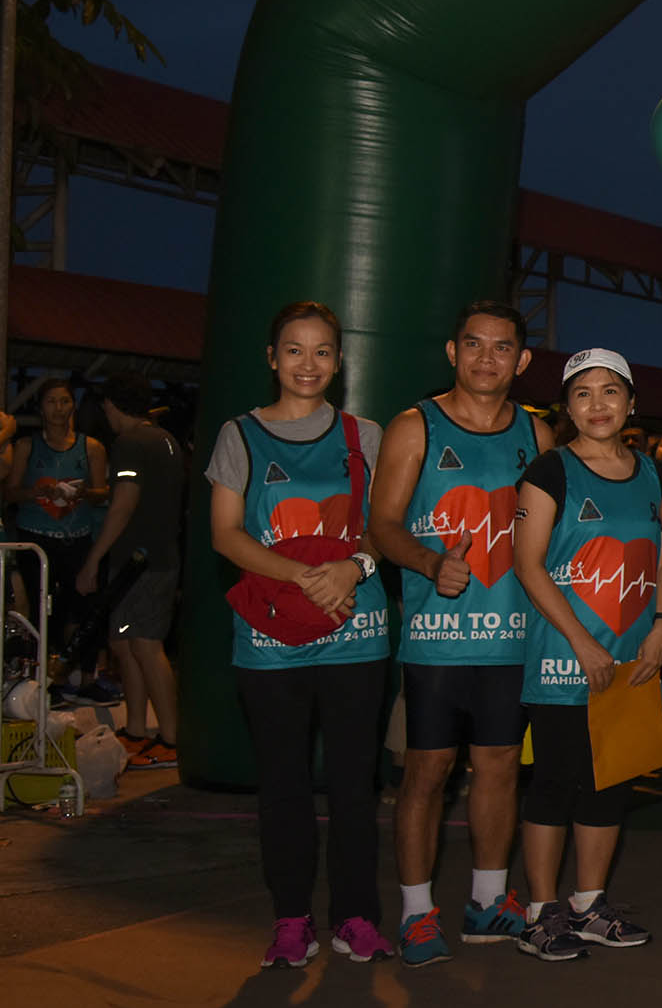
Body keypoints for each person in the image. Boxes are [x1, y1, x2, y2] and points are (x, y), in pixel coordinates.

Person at [207, 302, 395, 970]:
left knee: (353, 784)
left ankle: (356, 916)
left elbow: (387, 524)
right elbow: (225, 533)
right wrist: (305, 576)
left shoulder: (365, 435)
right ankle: (291, 918)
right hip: (270, 639)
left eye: (321, 351)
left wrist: (352, 567)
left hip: (356, 633)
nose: (307, 364)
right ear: (271, 358)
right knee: (283, 784)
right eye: (294, 349)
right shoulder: (239, 434)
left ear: (339, 361)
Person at [370, 300, 557, 967]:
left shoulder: (537, 435)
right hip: (437, 639)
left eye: (502, 347)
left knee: (501, 766)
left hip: (514, 637)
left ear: (522, 360)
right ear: (453, 352)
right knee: (427, 770)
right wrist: (428, 563)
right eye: (473, 344)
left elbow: (555, 533)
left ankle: (487, 901)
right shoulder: (414, 426)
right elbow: (382, 525)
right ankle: (417, 913)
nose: (486, 358)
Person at [509, 350, 662, 961]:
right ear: (567, 408)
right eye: (582, 394)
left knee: (609, 784)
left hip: (631, 662)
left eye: (610, 391)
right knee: (555, 783)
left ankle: (588, 906)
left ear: (631, 403)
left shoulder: (650, 473)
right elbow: (527, 564)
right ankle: (539, 915)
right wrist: (581, 642)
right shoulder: (549, 471)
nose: (598, 404)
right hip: (564, 662)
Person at [86, 376, 183, 767]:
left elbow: (122, 505)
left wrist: (93, 559)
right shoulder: (165, 439)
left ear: (111, 404)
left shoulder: (129, 443)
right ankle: (137, 729)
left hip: (139, 562)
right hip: (157, 557)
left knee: (144, 644)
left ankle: (171, 739)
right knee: (125, 643)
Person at [9, 377, 110, 689]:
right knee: (40, 608)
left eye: (64, 401)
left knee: (83, 608)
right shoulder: (27, 446)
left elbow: (102, 492)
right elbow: (10, 492)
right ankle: (38, 679)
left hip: (76, 538)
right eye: (51, 401)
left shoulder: (91, 447)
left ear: (73, 406)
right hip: (35, 539)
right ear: (41, 408)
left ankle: (85, 677)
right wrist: (38, 492)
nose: (58, 408)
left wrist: (83, 493)